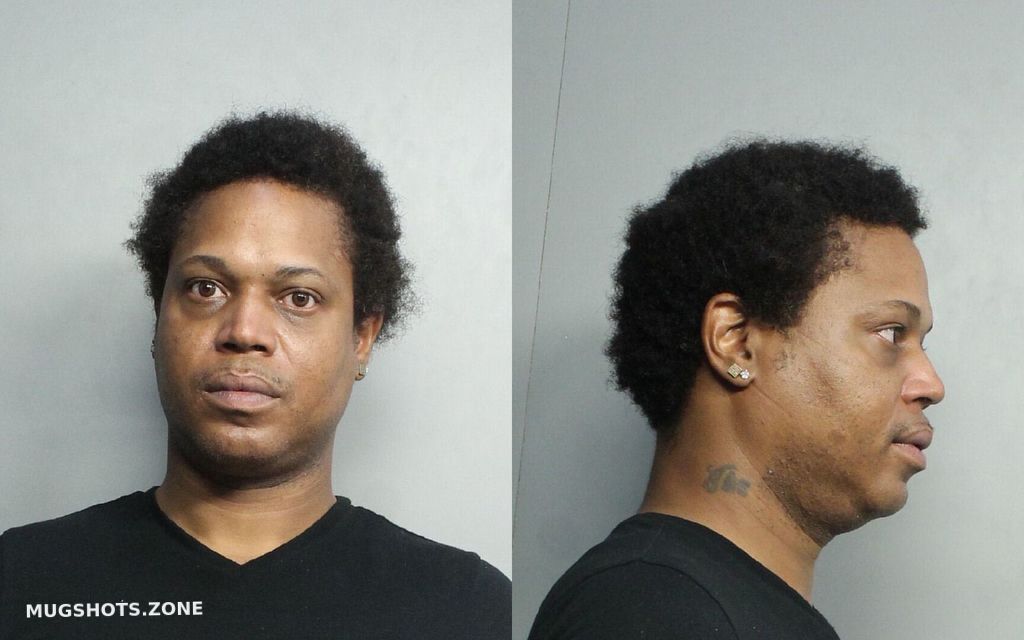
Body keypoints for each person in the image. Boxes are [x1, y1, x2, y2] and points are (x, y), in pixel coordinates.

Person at [0, 112, 510, 639]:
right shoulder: (19, 581)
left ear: (362, 337)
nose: (244, 332)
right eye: (206, 288)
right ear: (159, 316)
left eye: (299, 298)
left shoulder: (468, 609)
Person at [528, 140, 944, 639]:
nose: (931, 384)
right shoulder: (648, 613)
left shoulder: (698, 606)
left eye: (921, 343)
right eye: (891, 333)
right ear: (737, 343)